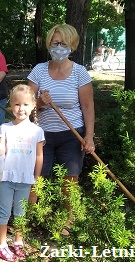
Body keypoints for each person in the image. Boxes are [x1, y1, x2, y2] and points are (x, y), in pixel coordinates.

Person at [27, 24, 95, 236]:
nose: (58, 48)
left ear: (72, 46)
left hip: (71, 135)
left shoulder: (80, 73)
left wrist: (89, 136)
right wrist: (39, 102)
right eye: (55, 43)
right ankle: (29, 219)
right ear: (49, 44)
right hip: (42, 136)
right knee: (36, 177)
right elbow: (24, 104)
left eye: (63, 44)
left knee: (70, 178)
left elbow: (87, 106)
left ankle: (68, 221)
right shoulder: (38, 71)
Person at [0, 84, 44, 261]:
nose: (21, 108)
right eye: (17, 104)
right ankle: (2, 245)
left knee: (21, 214)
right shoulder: (5, 128)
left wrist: (36, 177)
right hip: (6, 177)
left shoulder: (37, 131)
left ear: (33, 105)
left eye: (25, 104)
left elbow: (39, 156)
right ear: (11, 105)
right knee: (4, 212)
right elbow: (1, 151)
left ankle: (18, 242)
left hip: (26, 179)